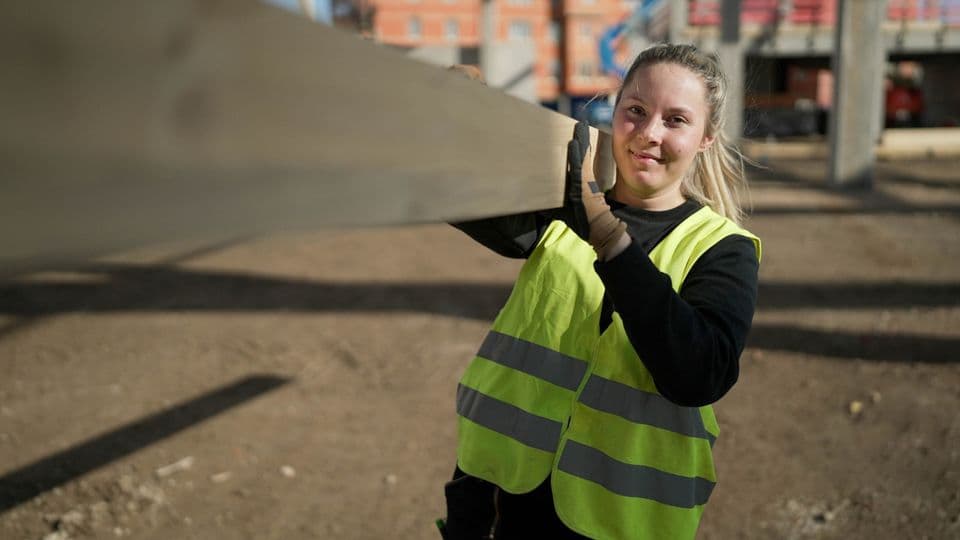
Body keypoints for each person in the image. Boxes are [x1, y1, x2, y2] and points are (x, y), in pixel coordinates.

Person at [440, 43, 761, 539]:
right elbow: (455, 194)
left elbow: (698, 375)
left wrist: (608, 235)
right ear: (616, 111)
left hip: (616, 522)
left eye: (675, 120)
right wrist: (460, 118)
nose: (649, 134)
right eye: (636, 111)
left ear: (705, 138)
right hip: (501, 498)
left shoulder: (723, 249)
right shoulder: (561, 206)